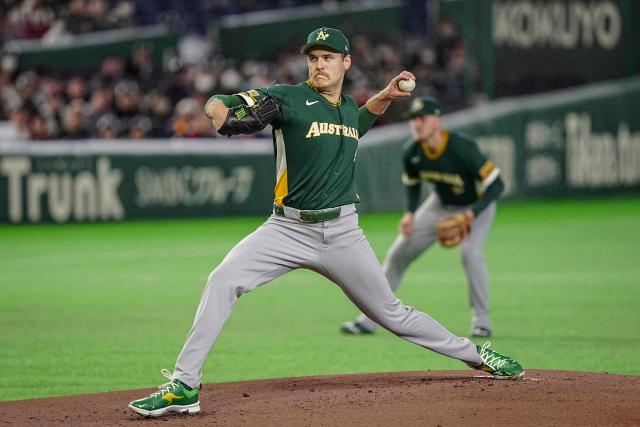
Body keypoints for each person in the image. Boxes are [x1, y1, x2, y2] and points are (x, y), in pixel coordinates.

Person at [128, 28, 523, 418]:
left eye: (328, 57)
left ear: (345, 62)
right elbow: (225, 101)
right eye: (314, 58)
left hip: (342, 233)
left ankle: (477, 355)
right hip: (284, 229)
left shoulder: (349, 108)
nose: (319, 64)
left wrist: (386, 95)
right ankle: (184, 385)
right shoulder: (286, 96)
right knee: (222, 280)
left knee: (391, 313)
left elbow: (362, 119)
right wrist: (218, 110)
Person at [341, 96, 503, 338]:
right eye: (412, 119)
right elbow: (413, 184)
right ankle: (368, 320)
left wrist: (471, 214)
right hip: (439, 205)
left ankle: (482, 321)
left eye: (422, 118)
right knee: (397, 254)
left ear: (437, 121)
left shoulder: (461, 148)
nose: (416, 124)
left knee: (470, 253)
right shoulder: (412, 151)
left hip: (475, 205)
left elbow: (496, 185)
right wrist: (410, 214)